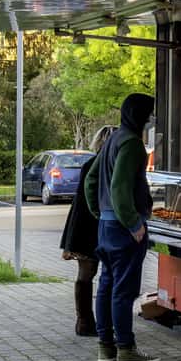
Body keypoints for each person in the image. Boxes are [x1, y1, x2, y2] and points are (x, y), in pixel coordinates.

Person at [84, 93, 160, 361]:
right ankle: (126, 348)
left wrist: (99, 212)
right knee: (123, 290)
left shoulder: (113, 139)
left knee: (106, 284)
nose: (153, 119)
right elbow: (119, 188)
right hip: (123, 227)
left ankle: (106, 347)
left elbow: (92, 179)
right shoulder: (132, 145)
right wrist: (134, 224)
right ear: (142, 116)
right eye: (151, 114)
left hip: (106, 225)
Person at [59, 125, 115, 336]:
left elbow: (80, 203)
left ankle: (84, 321)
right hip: (105, 225)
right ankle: (105, 321)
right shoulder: (114, 165)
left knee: (85, 275)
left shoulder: (89, 164)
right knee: (110, 276)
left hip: (85, 227)